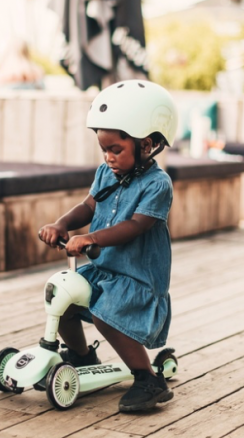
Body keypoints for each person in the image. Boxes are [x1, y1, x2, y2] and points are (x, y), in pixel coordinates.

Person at [38, 79, 178, 413]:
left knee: (106, 315)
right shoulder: (106, 173)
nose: (109, 156)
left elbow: (136, 226)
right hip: (105, 270)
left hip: (136, 278)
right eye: (104, 149)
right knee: (65, 301)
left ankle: (147, 378)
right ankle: (84, 357)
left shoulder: (158, 184)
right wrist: (62, 224)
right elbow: (89, 206)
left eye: (117, 149)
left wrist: (92, 238)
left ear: (148, 145)